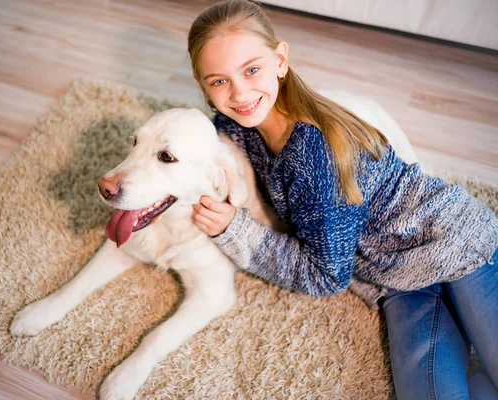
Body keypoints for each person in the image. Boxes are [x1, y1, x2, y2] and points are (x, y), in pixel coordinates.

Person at [187, 1, 498, 399]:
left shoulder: (312, 154)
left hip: (454, 242)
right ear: (203, 85)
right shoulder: (235, 123)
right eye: (218, 81)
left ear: (280, 60)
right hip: (397, 281)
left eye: (251, 70)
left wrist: (236, 230)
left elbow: (326, 276)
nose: (240, 92)